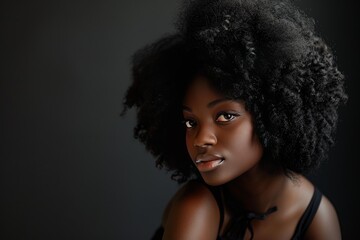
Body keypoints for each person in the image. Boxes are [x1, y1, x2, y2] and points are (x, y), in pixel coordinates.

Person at [122, 0, 347, 239]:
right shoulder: (197, 207)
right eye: (190, 122)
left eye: (225, 116)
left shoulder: (316, 216)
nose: (201, 139)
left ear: (271, 115)